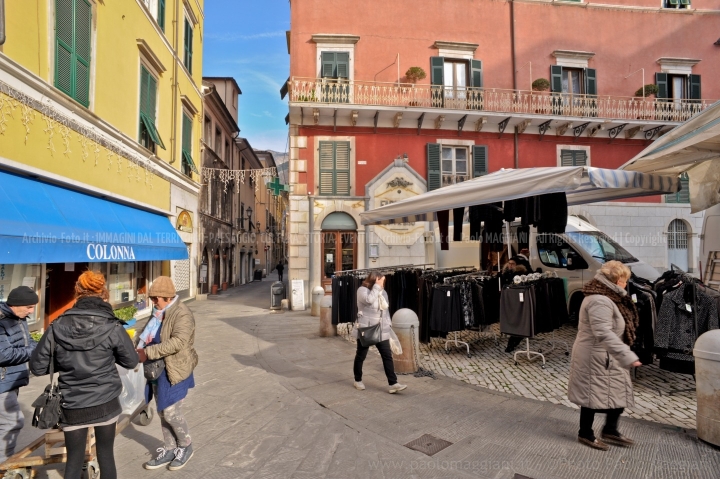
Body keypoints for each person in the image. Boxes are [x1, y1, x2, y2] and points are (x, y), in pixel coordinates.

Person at [30, 271, 138, 479]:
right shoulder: (112, 325)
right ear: (103, 292)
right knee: (106, 455)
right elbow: (131, 361)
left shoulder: (57, 326)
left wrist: (65, 361)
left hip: (72, 403)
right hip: (105, 400)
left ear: (77, 292)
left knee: (74, 460)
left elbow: (37, 367)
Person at [567, 261, 642, 450]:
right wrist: (627, 354)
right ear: (616, 280)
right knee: (592, 394)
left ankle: (610, 430)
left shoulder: (610, 296)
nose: (626, 284)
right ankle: (585, 433)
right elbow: (603, 333)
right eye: (624, 280)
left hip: (609, 354)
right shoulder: (599, 300)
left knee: (618, 391)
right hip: (595, 355)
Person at [137, 276, 199, 471]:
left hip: (175, 370)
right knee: (163, 412)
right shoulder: (158, 312)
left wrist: (147, 352)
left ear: (166, 296)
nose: (153, 302)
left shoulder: (182, 314)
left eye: (156, 298)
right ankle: (170, 448)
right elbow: (146, 334)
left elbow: (178, 342)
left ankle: (186, 445)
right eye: (152, 299)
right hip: (156, 371)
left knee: (171, 413)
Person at [0, 286, 39, 463]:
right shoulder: (1, 321)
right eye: (29, 307)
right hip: (2, 384)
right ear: (16, 305)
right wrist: (32, 350)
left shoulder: (19, 318)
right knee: (11, 423)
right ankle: (3, 465)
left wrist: (34, 347)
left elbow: (28, 342)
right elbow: (4, 354)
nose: (31, 311)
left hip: (11, 380)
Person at [353, 272, 407, 394]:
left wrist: (388, 325)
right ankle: (358, 380)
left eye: (383, 281)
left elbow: (385, 310)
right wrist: (377, 287)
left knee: (387, 356)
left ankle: (393, 383)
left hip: (381, 329)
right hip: (366, 329)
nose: (383, 284)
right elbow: (369, 301)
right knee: (361, 355)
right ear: (375, 280)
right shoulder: (362, 291)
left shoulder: (383, 293)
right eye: (382, 281)